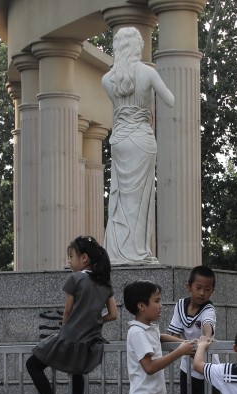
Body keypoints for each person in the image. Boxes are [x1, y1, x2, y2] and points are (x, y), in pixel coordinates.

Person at [26, 236, 118, 394]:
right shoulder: (105, 283)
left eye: (71, 256)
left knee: (32, 364)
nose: (69, 261)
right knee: (77, 368)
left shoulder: (75, 279)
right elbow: (113, 315)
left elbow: (67, 312)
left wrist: (66, 329)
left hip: (70, 336)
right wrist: (95, 321)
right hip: (90, 341)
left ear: (84, 258)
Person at [101, 27, 175, 265]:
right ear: (136, 47)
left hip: (120, 139)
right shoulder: (147, 73)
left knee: (121, 197)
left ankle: (118, 251)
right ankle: (138, 251)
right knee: (140, 199)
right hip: (142, 138)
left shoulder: (107, 79)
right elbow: (170, 100)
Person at [167, 266, 222, 394]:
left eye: (207, 289)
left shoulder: (209, 309)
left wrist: (205, 339)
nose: (202, 293)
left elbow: (208, 327)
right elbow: (173, 333)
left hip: (208, 370)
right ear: (188, 286)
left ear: (212, 291)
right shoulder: (180, 305)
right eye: (198, 288)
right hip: (187, 369)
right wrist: (187, 346)